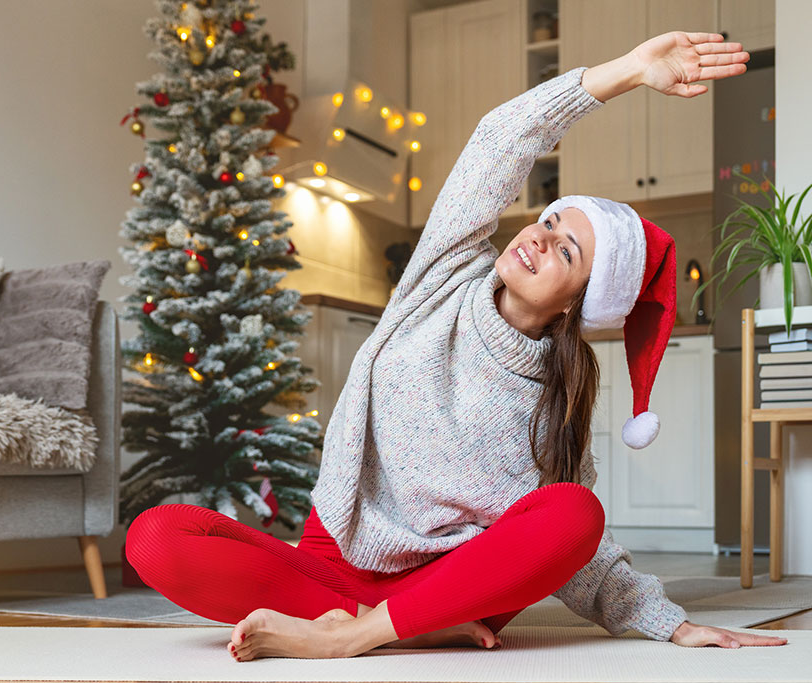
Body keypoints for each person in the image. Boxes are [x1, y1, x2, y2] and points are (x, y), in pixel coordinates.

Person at [126, 31, 786, 662]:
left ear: (575, 306)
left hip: (450, 586)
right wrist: (624, 73)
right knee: (154, 536)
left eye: (566, 250)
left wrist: (670, 623)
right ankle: (399, 631)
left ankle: (353, 637)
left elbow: (580, 550)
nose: (538, 236)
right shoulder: (447, 272)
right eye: (549, 221)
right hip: (337, 566)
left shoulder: (558, 398)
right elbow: (500, 139)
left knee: (574, 511)